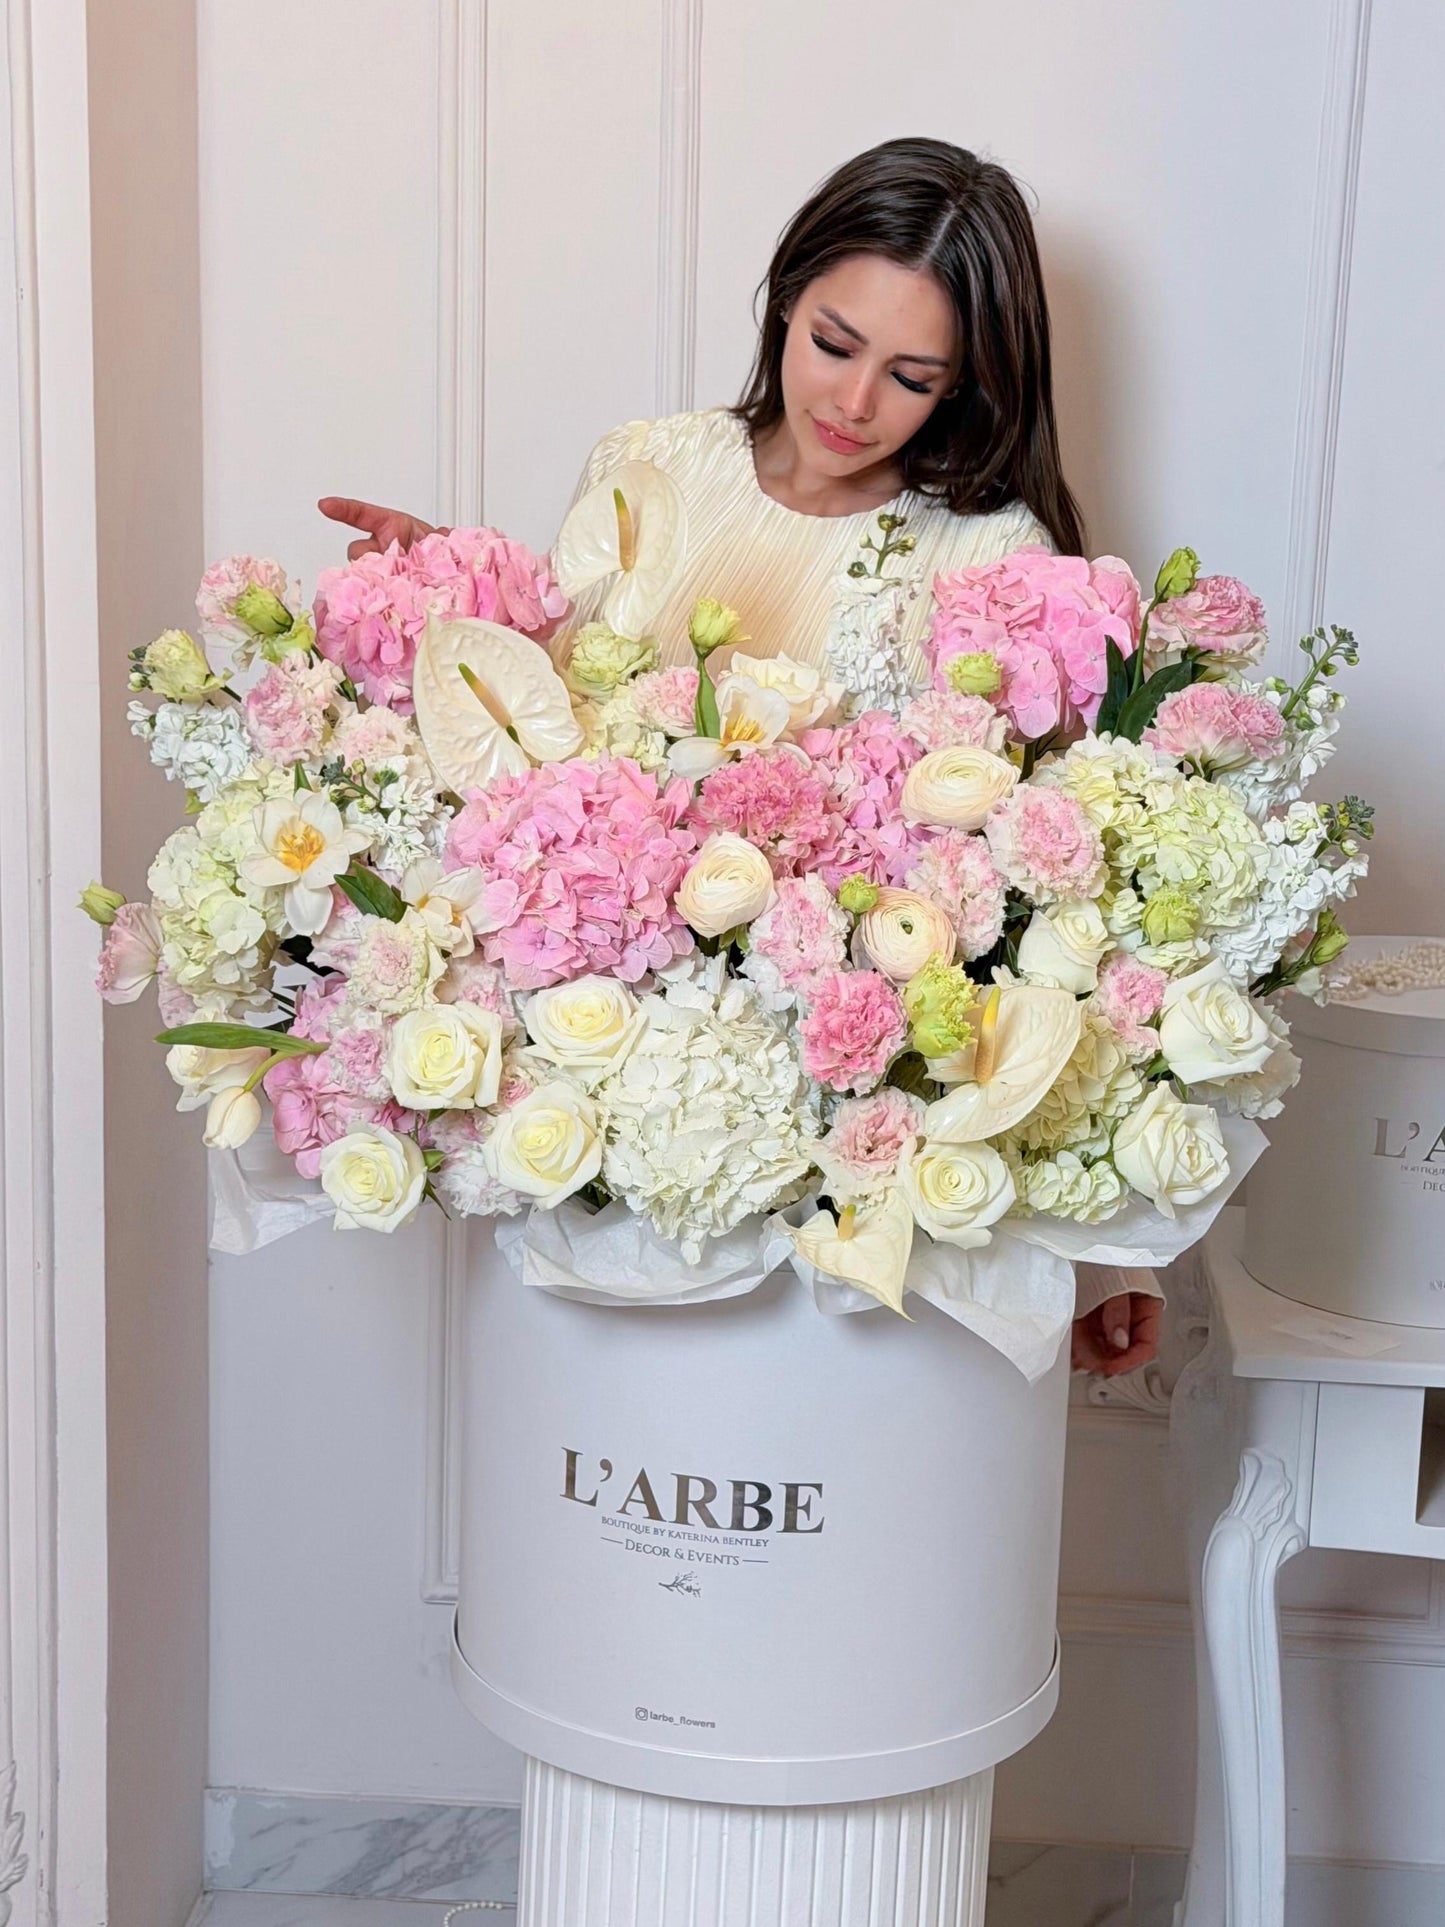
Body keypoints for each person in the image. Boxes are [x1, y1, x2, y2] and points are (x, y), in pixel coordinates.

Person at [319, 135, 1160, 1378]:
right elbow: (556, 730)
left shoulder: (999, 560)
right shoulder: (651, 463)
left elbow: (1063, 906)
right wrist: (449, 605)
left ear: (969, 384)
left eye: (911, 375)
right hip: (608, 1101)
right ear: (783, 295)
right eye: (831, 341)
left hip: (846, 1147)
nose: (853, 401)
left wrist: (1104, 1248)